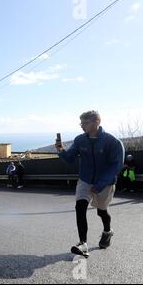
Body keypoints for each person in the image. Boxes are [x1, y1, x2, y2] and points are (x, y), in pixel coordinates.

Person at [55, 110, 124, 258]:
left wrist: (99, 185)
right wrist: (61, 150)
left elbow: (116, 166)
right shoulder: (80, 140)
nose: (82, 126)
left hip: (105, 183)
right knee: (80, 207)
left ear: (96, 122)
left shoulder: (112, 142)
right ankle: (83, 244)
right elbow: (70, 159)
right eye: (81, 123)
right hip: (85, 180)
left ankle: (107, 232)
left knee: (101, 211)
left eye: (85, 123)